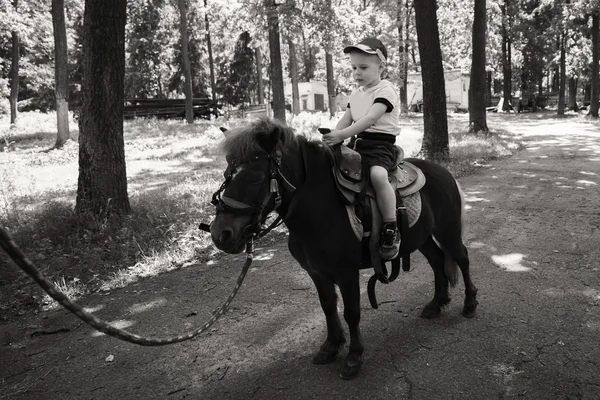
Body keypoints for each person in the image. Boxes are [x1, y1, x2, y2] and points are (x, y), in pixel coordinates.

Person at [321, 37, 401, 261]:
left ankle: (390, 225)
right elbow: (346, 120)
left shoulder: (386, 90)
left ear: (381, 67)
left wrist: (342, 135)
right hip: (357, 144)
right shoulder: (355, 94)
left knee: (377, 176)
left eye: (364, 67)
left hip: (380, 146)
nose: (357, 73)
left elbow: (369, 119)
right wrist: (332, 139)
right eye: (354, 67)